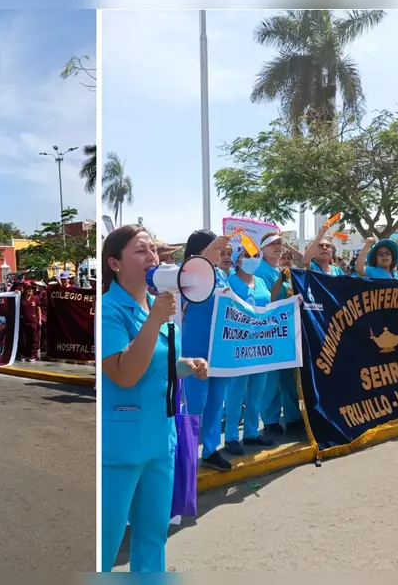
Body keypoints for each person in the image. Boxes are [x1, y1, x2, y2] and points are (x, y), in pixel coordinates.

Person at [100, 224, 209, 573]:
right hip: (122, 445)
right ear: (114, 263)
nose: (151, 257)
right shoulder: (108, 311)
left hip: (161, 441)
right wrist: (155, 320)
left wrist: (185, 366)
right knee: (105, 544)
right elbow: (125, 373)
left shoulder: (156, 305)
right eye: (140, 250)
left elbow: (155, 364)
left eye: (152, 250)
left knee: (152, 538)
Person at [182, 229, 234, 471]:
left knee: (216, 400)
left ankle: (211, 449)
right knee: (195, 402)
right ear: (201, 251)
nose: (221, 252)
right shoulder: (188, 274)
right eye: (216, 247)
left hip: (219, 346)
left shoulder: (221, 275)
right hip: (195, 345)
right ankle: (187, 452)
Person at [223, 248, 276, 455]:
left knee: (257, 389)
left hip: (260, 344)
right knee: (236, 390)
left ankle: (252, 433)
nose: (252, 259)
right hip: (239, 345)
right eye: (246, 255)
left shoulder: (261, 282)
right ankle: (231, 437)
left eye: (255, 255)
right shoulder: (230, 282)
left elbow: (270, 308)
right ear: (237, 260)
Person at [254, 232, 302, 436]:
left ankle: (292, 417)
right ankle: (270, 420)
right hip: (269, 330)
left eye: (279, 244)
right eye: (272, 244)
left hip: (287, 329)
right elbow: (267, 300)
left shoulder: (283, 270)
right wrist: (280, 280)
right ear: (263, 249)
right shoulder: (258, 271)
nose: (277, 247)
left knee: (289, 377)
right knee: (271, 379)